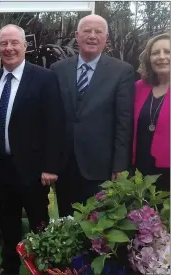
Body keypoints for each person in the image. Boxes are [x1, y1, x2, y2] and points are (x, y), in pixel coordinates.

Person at [0, 24, 65, 275]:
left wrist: (51, 166)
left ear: (25, 46)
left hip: (34, 169)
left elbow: (55, 124)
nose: (9, 48)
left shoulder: (45, 78)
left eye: (14, 43)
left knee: (39, 223)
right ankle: (9, 266)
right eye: (3, 44)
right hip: (0, 165)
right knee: (8, 221)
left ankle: (44, 267)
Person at [50, 14, 135, 217]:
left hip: (101, 166)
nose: (92, 36)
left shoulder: (122, 72)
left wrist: (119, 166)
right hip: (65, 165)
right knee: (67, 221)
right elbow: (51, 119)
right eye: (87, 31)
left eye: (98, 32)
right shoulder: (57, 69)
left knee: (98, 227)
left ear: (106, 39)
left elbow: (124, 122)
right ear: (77, 36)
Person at [132, 33, 170, 191]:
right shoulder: (139, 87)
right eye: (155, 53)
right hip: (139, 170)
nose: (161, 57)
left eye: (167, 52)